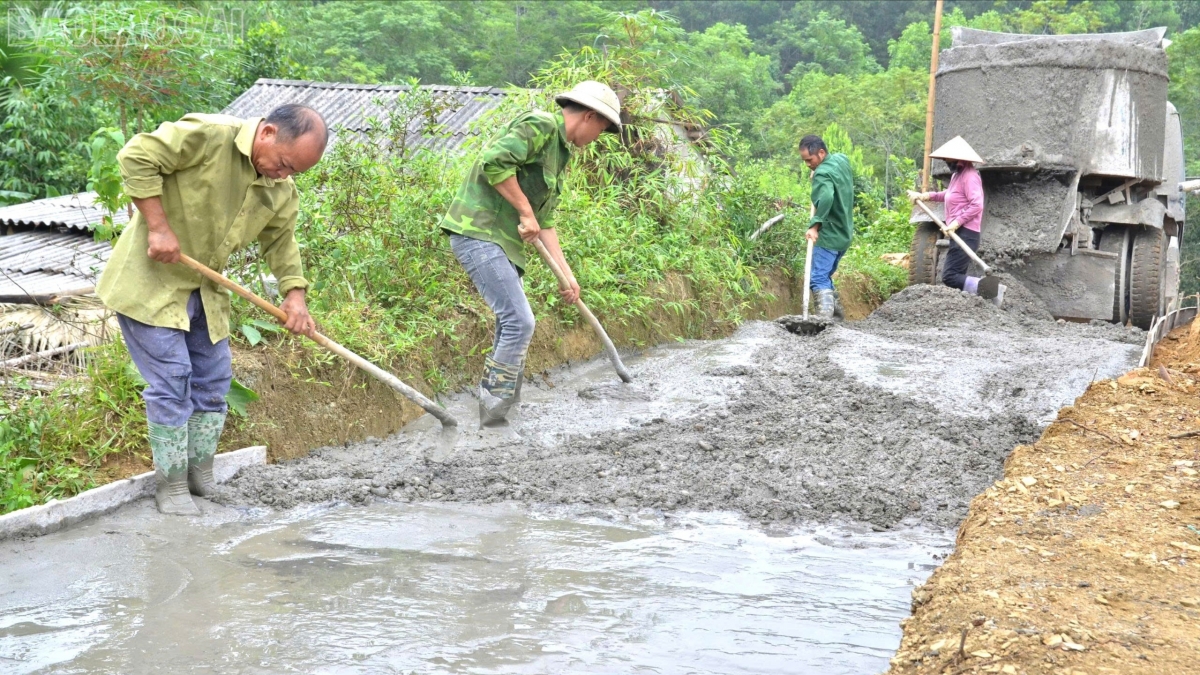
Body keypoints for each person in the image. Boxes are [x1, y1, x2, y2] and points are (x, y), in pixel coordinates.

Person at [97, 104, 329, 515]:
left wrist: (295, 294)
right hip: (150, 284)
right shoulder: (208, 134)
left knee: (214, 381)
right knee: (172, 381)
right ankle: (170, 487)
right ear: (269, 133)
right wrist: (159, 227)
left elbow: (282, 243)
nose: (284, 175)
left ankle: (199, 475)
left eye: (295, 173)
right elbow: (136, 155)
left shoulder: (279, 189)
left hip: (206, 291)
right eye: (284, 164)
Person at [440, 81, 621, 428]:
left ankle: (502, 409)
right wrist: (524, 210)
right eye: (602, 128)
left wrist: (568, 276)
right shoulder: (541, 125)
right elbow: (494, 162)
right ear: (589, 116)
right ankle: (494, 415)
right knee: (520, 321)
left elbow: (545, 221)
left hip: (502, 242)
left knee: (510, 322)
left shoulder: (560, 153)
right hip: (478, 231)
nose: (600, 136)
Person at [907, 135, 1005, 304]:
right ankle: (975, 301)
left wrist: (955, 223)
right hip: (958, 231)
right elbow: (949, 195)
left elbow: (977, 205)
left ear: (959, 158)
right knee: (954, 276)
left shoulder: (970, 176)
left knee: (950, 276)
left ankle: (992, 290)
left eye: (948, 158)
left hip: (967, 233)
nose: (945, 160)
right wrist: (924, 196)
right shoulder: (957, 176)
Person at [799, 134, 855, 319]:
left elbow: (827, 197)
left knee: (818, 278)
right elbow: (835, 176)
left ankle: (824, 319)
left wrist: (814, 226)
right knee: (825, 274)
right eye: (805, 161)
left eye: (810, 160)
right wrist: (818, 171)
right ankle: (837, 315)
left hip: (830, 235)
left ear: (821, 153)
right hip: (844, 233)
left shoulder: (822, 173)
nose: (808, 164)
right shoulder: (841, 160)